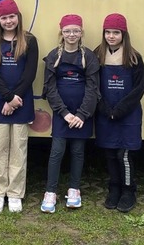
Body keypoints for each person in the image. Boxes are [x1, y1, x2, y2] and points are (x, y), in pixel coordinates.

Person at [0, 0, 39, 214]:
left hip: (21, 101)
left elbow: (30, 73)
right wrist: (7, 98)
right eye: (4, 17)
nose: (8, 21)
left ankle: (15, 193)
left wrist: (15, 100)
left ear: (18, 17)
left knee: (18, 149)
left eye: (12, 16)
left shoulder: (30, 40)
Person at [41, 14, 99, 213]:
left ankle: (74, 189)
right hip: (61, 114)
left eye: (76, 31)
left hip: (82, 115)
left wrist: (82, 114)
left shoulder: (89, 57)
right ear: (61, 33)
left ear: (81, 33)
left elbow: (93, 88)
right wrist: (64, 113)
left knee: (77, 152)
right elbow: (50, 87)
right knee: (57, 152)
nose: (71, 34)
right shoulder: (53, 56)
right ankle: (50, 191)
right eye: (67, 31)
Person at [93, 13, 144, 213]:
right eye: (108, 32)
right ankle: (113, 188)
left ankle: (128, 190)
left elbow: (139, 88)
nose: (111, 36)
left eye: (116, 32)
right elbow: (93, 86)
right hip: (105, 113)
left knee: (123, 154)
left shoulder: (133, 57)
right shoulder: (97, 55)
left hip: (128, 114)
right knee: (109, 153)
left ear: (124, 34)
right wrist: (105, 109)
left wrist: (121, 109)